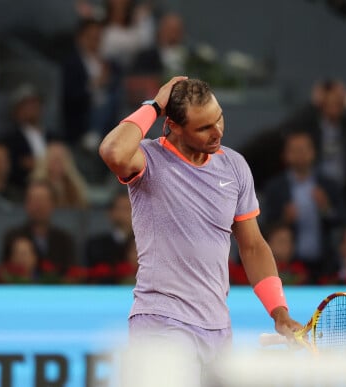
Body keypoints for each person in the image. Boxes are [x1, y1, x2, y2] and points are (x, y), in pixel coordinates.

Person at [99, 76, 301, 385]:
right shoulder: (148, 159)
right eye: (204, 127)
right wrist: (155, 104)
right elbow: (113, 151)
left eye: (218, 118)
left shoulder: (235, 166)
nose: (217, 131)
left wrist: (278, 311)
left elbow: (253, 246)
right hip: (161, 322)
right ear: (174, 126)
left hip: (217, 330)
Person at [262, 130, 346, 281]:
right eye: (294, 150)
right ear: (285, 155)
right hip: (289, 266)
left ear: (313, 152)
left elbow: (344, 219)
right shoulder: (275, 187)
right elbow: (266, 225)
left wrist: (327, 210)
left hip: (324, 265)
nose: (300, 154)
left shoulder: (329, 185)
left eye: (304, 149)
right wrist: (284, 220)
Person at [61, 18, 120, 148]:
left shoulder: (108, 63)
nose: (95, 41)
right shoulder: (72, 64)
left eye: (98, 37)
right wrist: (94, 85)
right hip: (84, 114)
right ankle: (94, 133)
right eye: (91, 37)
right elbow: (70, 95)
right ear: (80, 38)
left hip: (109, 112)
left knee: (114, 97)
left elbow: (117, 86)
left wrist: (108, 81)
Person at [2, 181, 77, 274]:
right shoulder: (13, 236)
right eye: (34, 201)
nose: (38, 206)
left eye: (42, 200)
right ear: (26, 204)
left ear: (53, 204)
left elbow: (72, 274)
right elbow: (4, 272)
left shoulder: (64, 239)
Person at [29, 141, 89, 209]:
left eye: (61, 160)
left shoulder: (75, 186)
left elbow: (82, 206)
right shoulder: (38, 186)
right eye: (54, 160)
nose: (57, 164)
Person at [85, 190, 133, 269]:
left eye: (129, 208)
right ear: (110, 213)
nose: (125, 214)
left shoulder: (147, 243)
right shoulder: (96, 245)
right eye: (121, 208)